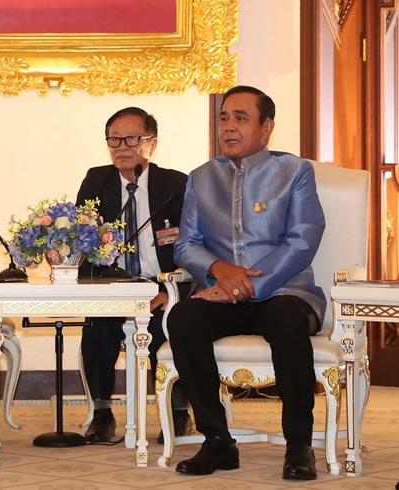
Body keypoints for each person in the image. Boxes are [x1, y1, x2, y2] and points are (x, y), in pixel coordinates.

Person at [167, 86, 325, 480]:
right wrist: (220, 270)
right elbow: (186, 244)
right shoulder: (201, 178)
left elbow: (303, 238)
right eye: (224, 118)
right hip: (222, 295)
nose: (229, 127)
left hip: (287, 290)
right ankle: (217, 440)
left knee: (286, 320)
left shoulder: (295, 171)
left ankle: (298, 445)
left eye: (241, 118)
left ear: (266, 126)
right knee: (183, 318)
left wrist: (251, 284)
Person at [76, 107, 191, 443]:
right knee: (97, 326)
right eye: (114, 138)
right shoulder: (96, 181)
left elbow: (194, 246)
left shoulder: (176, 184)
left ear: (151, 144)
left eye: (131, 138)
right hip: (114, 283)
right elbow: (83, 240)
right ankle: (101, 413)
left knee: (170, 325)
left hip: (163, 284)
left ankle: (179, 412)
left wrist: (169, 293)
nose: (121, 146)